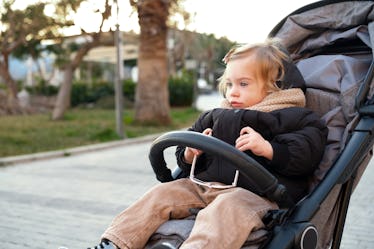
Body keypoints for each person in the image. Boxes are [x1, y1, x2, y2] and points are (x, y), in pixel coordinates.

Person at [88, 38, 328, 249]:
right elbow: (186, 147)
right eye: (230, 84)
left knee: (227, 209)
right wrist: (190, 153)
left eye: (244, 84)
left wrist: (268, 148)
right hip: (202, 187)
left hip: (256, 196)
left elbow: (306, 154)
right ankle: (114, 243)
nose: (233, 92)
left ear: (274, 85)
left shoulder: (290, 116)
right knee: (161, 194)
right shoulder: (214, 115)